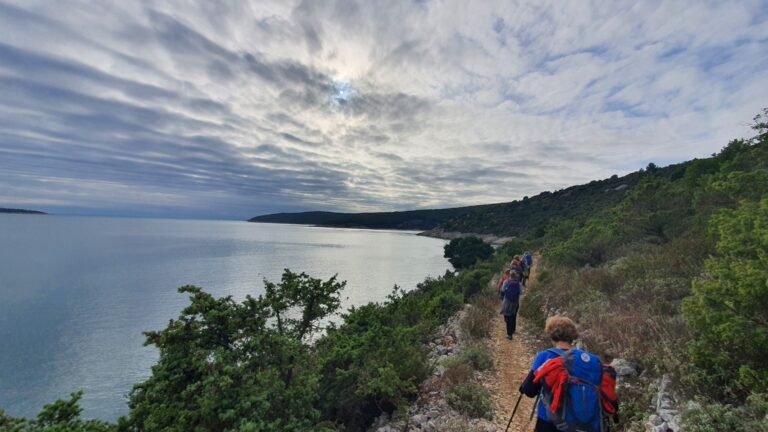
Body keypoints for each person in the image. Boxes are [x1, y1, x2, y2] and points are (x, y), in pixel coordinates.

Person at [519, 316, 618, 432]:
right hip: (583, 424)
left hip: (549, 422)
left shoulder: (545, 356)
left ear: (551, 334)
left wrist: (526, 380)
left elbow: (530, 391)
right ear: (573, 336)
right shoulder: (585, 360)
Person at [499, 273, 521, 340]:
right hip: (515, 302)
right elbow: (521, 292)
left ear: (510, 276)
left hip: (507, 302)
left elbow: (502, 290)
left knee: (507, 318)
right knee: (513, 316)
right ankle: (513, 330)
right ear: (516, 276)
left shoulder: (506, 281)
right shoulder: (518, 283)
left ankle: (509, 334)